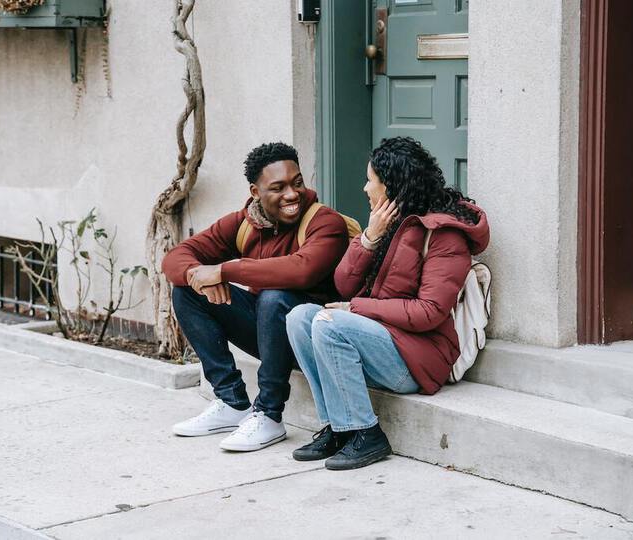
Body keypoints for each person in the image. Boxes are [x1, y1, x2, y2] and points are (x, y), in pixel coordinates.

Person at [285, 137, 490, 470]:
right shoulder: (387, 225)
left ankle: (366, 434)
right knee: (299, 318)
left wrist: (357, 309)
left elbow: (428, 312)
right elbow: (344, 285)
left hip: (418, 360)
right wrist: (368, 239)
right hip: (382, 341)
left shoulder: (443, 236)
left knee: (329, 323)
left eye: (371, 180)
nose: (365, 188)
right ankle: (338, 427)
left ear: (392, 185)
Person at [162, 142, 349, 452]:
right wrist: (201, 278)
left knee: (274, 297)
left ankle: (269, 414)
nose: (292, 194)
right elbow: (175, 258)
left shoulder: (325, 222)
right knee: (186, 291)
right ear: (255, 191)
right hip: (269, 333)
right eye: (278, 187)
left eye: (297, 182)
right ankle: (232, 402)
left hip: (312, 341)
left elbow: (301, 271)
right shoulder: (245, 224)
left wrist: (223, 271)